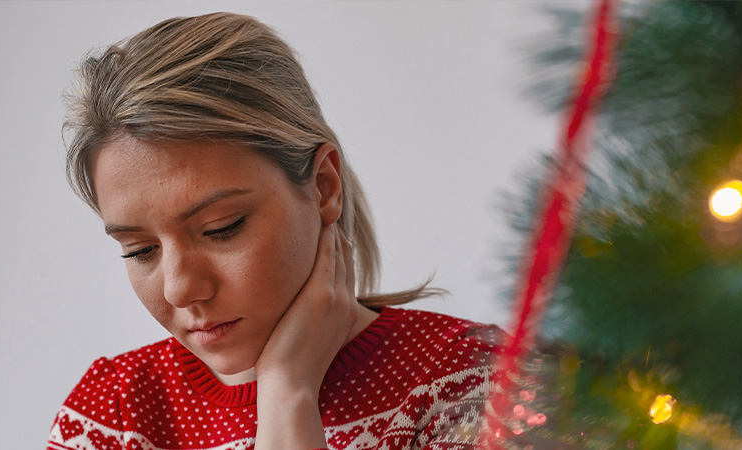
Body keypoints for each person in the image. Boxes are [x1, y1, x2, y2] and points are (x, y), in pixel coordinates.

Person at [46, 12, 502, 450]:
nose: (180, 289)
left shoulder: (472, 379)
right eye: (140, 250)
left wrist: (289, 393)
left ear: (324, 187)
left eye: (221, 228)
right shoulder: (113, 413)